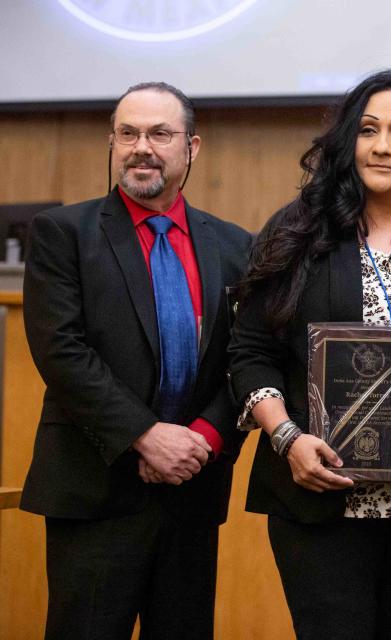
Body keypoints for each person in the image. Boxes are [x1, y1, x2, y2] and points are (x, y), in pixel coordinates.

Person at [228, 69, 391, 640]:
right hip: (319, 494)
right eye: (368, 130)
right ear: (349, 142)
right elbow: (249, 353)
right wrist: (286, 438)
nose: (381, 146)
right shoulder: (297, 232)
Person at [20, 82, 252, 638]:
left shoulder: (236, 245)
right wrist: (147, 436)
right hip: (96, 488)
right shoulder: (64, 234)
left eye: (159, 134)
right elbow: (62, 351)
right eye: (128, 133)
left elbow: (245, 358)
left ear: (191, 148)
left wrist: (203, 439)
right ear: (112, 142)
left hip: (192, 491)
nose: (140, 147)